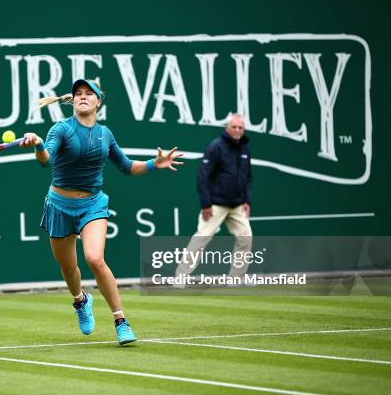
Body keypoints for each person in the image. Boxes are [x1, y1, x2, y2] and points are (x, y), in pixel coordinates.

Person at [20, 79, 183, 345]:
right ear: (72, 101)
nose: (82, 97)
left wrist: (156, 163)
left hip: (92, 204)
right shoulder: (60, 129)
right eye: (78, 94)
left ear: (98, 102)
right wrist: (38, 144)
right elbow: (45, 161)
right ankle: (80, 301)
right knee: (69, 268)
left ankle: (121, 321)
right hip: (59, 206)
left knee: (95, 259)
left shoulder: (105, 134)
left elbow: (128, 167)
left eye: (88, 94)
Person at [175, 114, 253, 282]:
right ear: (227, 128)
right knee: (202, 238)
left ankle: (236, 279)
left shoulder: (244, 148)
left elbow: (247, 177)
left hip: (237, 205)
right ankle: (180, 278)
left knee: (245, 238)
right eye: (234, 127)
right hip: (215, 204)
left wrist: (246, 200)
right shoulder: (216, 146)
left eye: (241, 127)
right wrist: (206, 204)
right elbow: (203, 176)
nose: (238, 130)